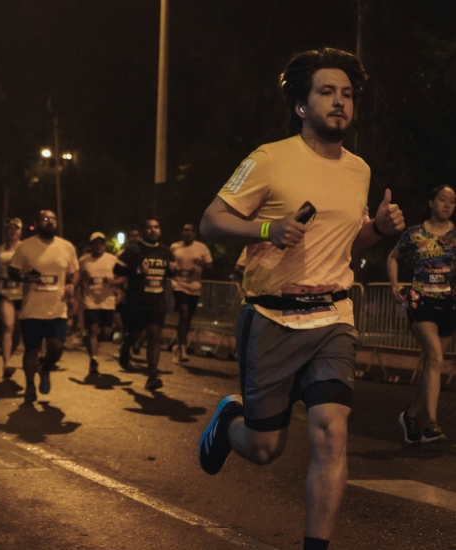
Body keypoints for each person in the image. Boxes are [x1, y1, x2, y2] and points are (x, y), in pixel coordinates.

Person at [197, 48, 404, 550]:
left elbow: (346, 243)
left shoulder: (359, 170)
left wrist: (376, 229)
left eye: (347, 94)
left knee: (332, 433)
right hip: (273, 315)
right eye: (327, 92)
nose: (339, 102)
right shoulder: (269, 158)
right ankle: (230, 423)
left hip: (334, 316)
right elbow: (211, 221)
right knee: (266, 447)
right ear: (301, 105)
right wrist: (268, 227)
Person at [387, 185, 456, 444]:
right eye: (442, 199)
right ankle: (431, 424)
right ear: (431, 202)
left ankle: (411, 415)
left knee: (432, 365)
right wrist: (394, 284)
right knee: (436, 357)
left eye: (452, 201)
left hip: (448, 306)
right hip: (420, 302)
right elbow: (392, 257)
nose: (447, 205)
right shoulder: (414, 234)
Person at [8, 209, 79, 403]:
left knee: (56, 348)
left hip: (57, 308)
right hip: (32, 309)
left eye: (52, 219)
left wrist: (72, 284)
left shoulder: (66, 246)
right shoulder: (25, 247)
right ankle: (30, 385)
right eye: (44, 219)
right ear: (37, 223)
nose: (49, 222)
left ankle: (45, 368)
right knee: (31, 350)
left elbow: (74, 271)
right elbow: (12, 270)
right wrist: (24, 277)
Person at [114, 219, 175, 391]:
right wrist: (138, 271)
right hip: (137, 301)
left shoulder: (165, 251)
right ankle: (125, 348)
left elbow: (171, 272)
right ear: (143, 231)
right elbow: (117, 270)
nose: (153, 230)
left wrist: (173, 270)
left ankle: (152, 375)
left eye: (156, 227)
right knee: (134, 334)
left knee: (154, 334)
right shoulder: (134, 249)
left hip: (157, 302)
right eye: (149, 227)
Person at [78, 232, 121, 376]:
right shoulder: (83, 261)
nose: (98, 246)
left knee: (106, 332)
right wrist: (80, 286)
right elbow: (76, 276)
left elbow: (125, 275)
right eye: (95, 243)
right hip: (91, 301)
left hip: (107, 301)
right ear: (91, 245)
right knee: (93, 329)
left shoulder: (112, 259)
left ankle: (90, 342)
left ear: (104, 245)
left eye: (101, 243)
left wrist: (114, 282)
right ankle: (94, 361)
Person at [170, 223, 213, 362]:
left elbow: (211, 267)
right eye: (185, 230)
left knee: (187, 319)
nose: (187, 233)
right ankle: (182, 348)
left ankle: (178, 345)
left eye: (190, 231)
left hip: (194, 287)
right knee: (184, 312)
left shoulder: (201, 247)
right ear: (182, 232)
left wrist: (201, 263)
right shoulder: (175, 247)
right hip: (178, 285)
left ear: (194, 233)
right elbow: (168, 264)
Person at [0, 218, 23, 379]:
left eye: (16, 229)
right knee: (8, 325)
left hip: (21, 292)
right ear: (6, 231)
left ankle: (8, 354)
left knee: (17, 331)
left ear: (20, 231)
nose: (13, 232)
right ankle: (7, 363)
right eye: (10, 229)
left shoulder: (26, 248)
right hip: (3, 291)